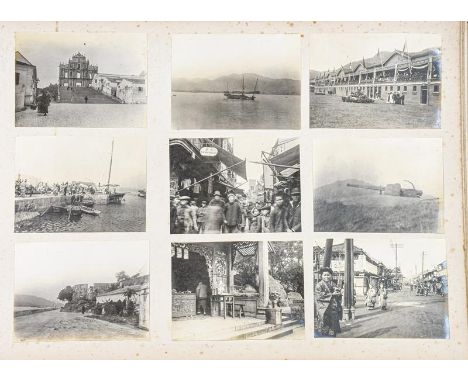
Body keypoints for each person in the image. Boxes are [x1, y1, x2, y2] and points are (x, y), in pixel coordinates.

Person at [314, 267, 342, 337]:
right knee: (325, 325)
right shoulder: (319, 285)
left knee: (333, 324)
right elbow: (319, 296)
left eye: (328, 275)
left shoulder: (333, 284)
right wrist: (332, 294)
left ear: (331, 276)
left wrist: (338, 293)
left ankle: (333, 334)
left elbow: (337, 295)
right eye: (325, 275)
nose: (326, 276)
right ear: (321, 276)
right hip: (324, 307)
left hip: (333, 307)